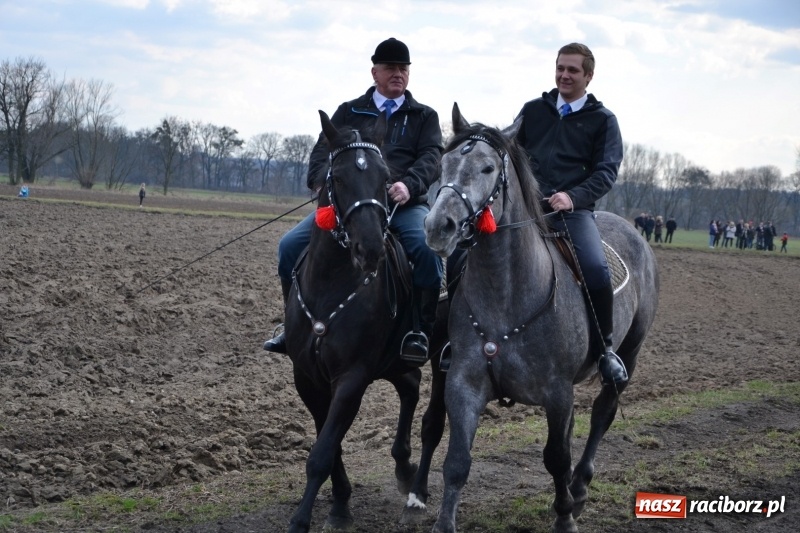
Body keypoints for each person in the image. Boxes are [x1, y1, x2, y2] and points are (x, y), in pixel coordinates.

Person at [262, 37, 444, 365]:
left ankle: (419, 331)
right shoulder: (349, 111)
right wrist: (321, 183)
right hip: (348, 207)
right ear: (375, 72)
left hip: (401, 204)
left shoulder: (424, 117)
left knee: (427, 254)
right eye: (391, 68)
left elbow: (432, 157)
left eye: (404, 68)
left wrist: (408, 185)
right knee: (289, 247)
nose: (398, 74)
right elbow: (322, 150)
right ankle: (293, 328)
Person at [515, 42, 627, 386]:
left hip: (571, 212)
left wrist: (572, 197)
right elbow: (510, 154)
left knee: (595, 269)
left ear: (588, 76)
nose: (564, 75)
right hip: (525, 208)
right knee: (468, 253)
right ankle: (450, 340)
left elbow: (606, 172)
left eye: (573, 70)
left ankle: (605, 350)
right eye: (560, 68)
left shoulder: (603, 121)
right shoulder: (533, 111)